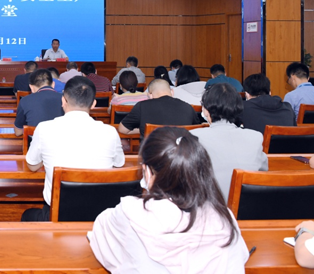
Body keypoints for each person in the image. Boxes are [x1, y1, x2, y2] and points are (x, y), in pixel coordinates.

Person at [88, 127, 249, 273]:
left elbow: (101, 234)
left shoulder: (130, 214)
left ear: (147, 172)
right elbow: (240, 257)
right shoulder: (224, 217)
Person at [23, 76, 125, 221]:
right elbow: (118, 165)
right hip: (99, 217)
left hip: (58, 215)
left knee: (27, 216)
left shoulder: (44, 128)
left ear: (63, 100)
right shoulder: (110, 132)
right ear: (93, 104)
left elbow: (32, 166)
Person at [191, 83, 268, 200]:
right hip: (249, 205)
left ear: (206, 110)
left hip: (210, 205)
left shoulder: (193, 137)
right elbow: (263, 171)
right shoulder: (255, 137)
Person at [119, 79, 201, 138]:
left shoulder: (141, 106)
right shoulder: (188, 108)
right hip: (181, 156)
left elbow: (122, 129)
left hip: (151, 156)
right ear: (172, 92)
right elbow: (197, 132)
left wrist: (143, 129)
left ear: (150, 95)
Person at [14, 69, 64, 136]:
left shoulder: (25, 100)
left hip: (36, 142)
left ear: (31, 87)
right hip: (60, 141)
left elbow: (18, 132)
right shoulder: (65, 99)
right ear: (53, 84)